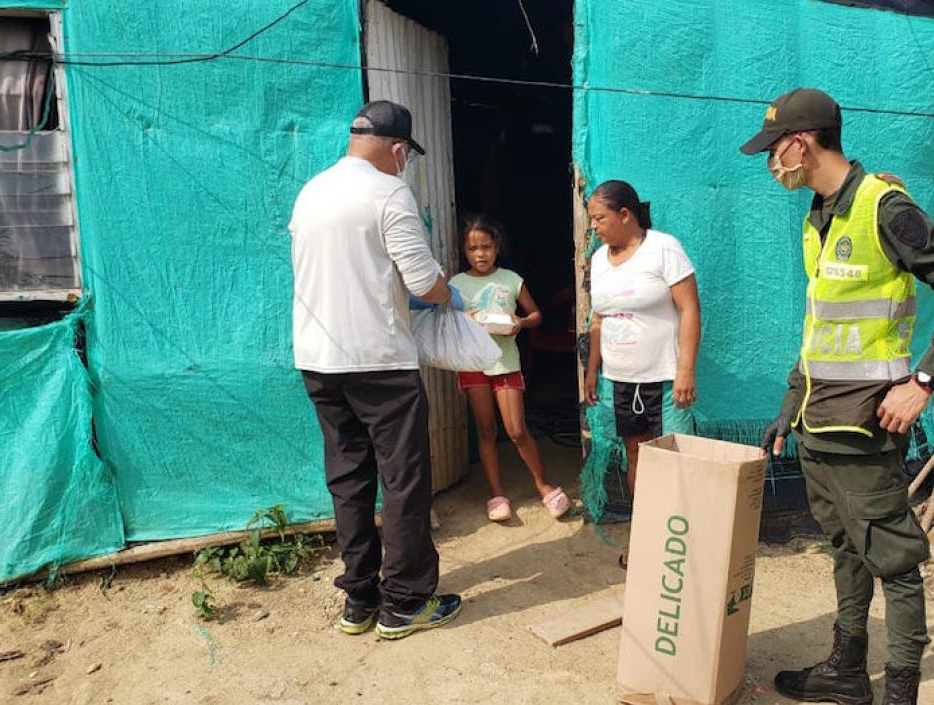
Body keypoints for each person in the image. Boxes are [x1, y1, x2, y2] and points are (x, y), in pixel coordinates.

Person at [740, 88, 934, 705]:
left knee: (895, 560)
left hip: (865, 421)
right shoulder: (820, 215)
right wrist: (788, 405)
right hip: (816, 421)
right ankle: (846, 671)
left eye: (773, 151)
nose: (772, 164)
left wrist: (926, 380)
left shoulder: (884, 206)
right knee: (846, 546)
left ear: (799, 143)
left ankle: (901, 691)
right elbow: (821, 327)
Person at [289, 100, 463, 641]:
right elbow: (421, 282)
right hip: (380, 364)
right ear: (396, 149)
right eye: (407, 155)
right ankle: (406, 601)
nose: (405, 164)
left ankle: (359, 599)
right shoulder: (390, 192)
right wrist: (446, 293)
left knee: (348, 478)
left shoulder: (312, 191)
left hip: (318, 360)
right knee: (404, 480)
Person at [583, 180, 701, 566]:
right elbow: (598, 318)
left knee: (677, 460)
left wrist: (685, 371)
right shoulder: (600, 259)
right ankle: (646, 537)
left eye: (599, 218)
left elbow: (690, 309)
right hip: (621, 379)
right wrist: (592, 370)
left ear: (625, 215)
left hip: (665, 380)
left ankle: (683, 546)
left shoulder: (663, 248)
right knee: (636, 457)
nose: (594, 227)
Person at [449, 215, 572, 522]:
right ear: (464, 250)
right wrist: (466, 320)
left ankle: (543, 485)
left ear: (497, 246)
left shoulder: (511, 279)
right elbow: (446, 323)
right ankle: (496, 495)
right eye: (472, 248)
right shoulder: (455, 284)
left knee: (517, 430)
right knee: (486, 429)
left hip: (506, 361)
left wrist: (521, 322)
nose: (480, 254)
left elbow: (536, 316)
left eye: (486, 247)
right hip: (473, 364)